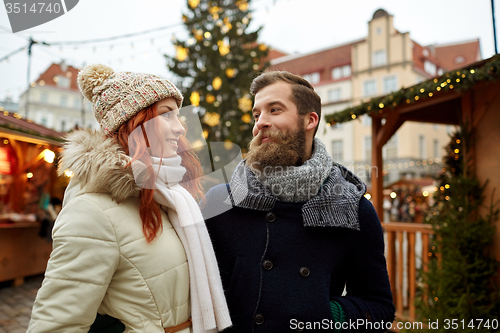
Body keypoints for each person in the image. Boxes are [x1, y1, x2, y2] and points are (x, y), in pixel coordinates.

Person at [27, 64, 231, 333]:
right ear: (132, 125)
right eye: (166, 115)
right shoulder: (92, 211)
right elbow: (56, 325)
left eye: (179, 116)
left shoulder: (168, 197)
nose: (181, 128)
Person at [201, 71, 395, 332]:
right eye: (257, 115)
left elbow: (379, 308)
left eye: (275, 110)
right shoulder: (222, 200)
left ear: (310, 120)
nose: (261, 123)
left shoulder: (352, 207)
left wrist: (328, 314)